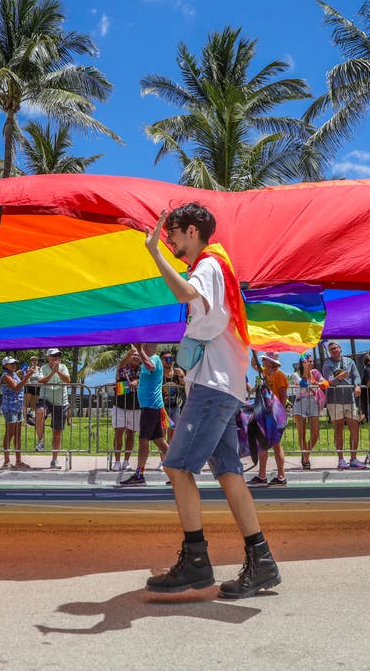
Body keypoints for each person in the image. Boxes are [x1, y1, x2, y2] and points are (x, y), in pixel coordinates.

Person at [142, 203, 280, 599]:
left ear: (190, 231)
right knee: (229, 474)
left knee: (177, 466)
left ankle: (197, 560)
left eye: (173, 236)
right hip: (224, 385)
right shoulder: (217, 266)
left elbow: (186, 292)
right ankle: (263, 562)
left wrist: (152, 253)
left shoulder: (207, 265)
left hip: (213, 387)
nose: (170, 243)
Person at [120, 343, 169, 486]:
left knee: (143, 439)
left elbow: (151, 366)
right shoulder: (152, 360)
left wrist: (140, 350)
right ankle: (178, 470)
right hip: (151, 406)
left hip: (151, 406)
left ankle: (139, 474)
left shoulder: (153, 359)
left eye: (143, 345)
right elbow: (151, 375)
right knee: (160, 441)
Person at [247, 350, 288, 486]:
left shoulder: (279, 375)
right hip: (264, 413)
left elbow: (283, 396)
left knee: (276, 445)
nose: (263, 361)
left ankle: (281, 476)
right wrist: (255, 349)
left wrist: (280, 414)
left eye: (265, 359)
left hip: (274, 414)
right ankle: (262, 475)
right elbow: (254, 364)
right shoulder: (263, 372)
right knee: (262, 443)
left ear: (271, 362)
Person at [321, 341, 364, 469]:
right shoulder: (327, 363)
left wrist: (357, 386)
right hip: (334, 400)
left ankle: (354, 458)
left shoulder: (349, 362)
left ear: (340, 349)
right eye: (331, 349)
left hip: (350, 399)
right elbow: (329, 381)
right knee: (338, 429)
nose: (333, 350)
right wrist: (340, 377)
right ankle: (341, 459)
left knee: (354, 428)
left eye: (335, 348)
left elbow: (356, 376)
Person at [37, 349, 71, 470]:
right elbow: (40, 380)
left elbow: (68, 380)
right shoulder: (43, 368)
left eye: (58, 355)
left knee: (57, 432)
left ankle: (54, 459)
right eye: (53, 356)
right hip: (46, 398)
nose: (56, 357)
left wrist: (58, 372)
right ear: (48, 358)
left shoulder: (63, 367)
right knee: (40, 412)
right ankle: (41, 441)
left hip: (61, 401)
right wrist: (52, 373)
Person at [291, 354, 324, 470]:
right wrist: (305, 371)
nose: (310, 363)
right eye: (308, 361)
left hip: (313, 402)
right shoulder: (295, 375)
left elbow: (324, 383)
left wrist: (317, 383)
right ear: (302, 363)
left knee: (315, 433)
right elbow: (304, 384)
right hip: (300, 402)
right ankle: (306, 459)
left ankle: (306, 453)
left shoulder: (315, 373)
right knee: (302, 433)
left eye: (311, 361)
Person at [0, 357, 33, 469]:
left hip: (17, 407)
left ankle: (18, 460)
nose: (14, 365)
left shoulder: (14, 375)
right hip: (9, 407)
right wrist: (27, 377)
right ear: (5, 365)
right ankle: (6, 461)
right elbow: (16, 387)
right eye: (11, 364)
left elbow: (19, 380)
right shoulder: (5, 376)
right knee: (10, 433)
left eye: (15, 363)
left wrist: (25, 374)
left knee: (18, 434)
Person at [111, 350, 142, 471]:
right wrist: (130, 352)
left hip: (136, 406)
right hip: (120, 405)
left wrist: (137, 382)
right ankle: (117, 461)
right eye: (133, 355)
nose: (135, 357)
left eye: (138, 355)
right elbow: (120, 367)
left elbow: (147, 379)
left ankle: (126, 461)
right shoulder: (123, 368)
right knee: (119, 433)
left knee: (131, 434)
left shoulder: (142, 369)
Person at [161, 352, 186, 442]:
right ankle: (164, 456)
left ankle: (169, 455)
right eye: (167, 359)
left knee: (172, 435)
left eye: (171, 359)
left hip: (175, 407)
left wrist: (180, 375)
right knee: (162, 434)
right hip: (162, 407)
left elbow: (184, 383)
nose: (169, 361)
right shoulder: (159, 372)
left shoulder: (177, 371)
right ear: (161, 360)